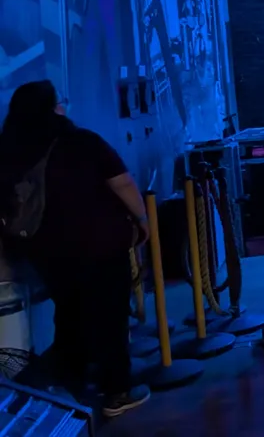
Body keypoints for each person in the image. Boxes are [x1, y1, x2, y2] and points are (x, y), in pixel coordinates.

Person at [0, 81, 151, 416]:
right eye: (60, 100)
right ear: (53, 107)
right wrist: (142, 219)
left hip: (45, 253)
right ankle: (116, 393)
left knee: (68, 315)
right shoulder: (81, 142)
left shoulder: (9, 151)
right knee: (110, 317)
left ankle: (69, 390)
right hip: (100, 245)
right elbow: (122, 182)